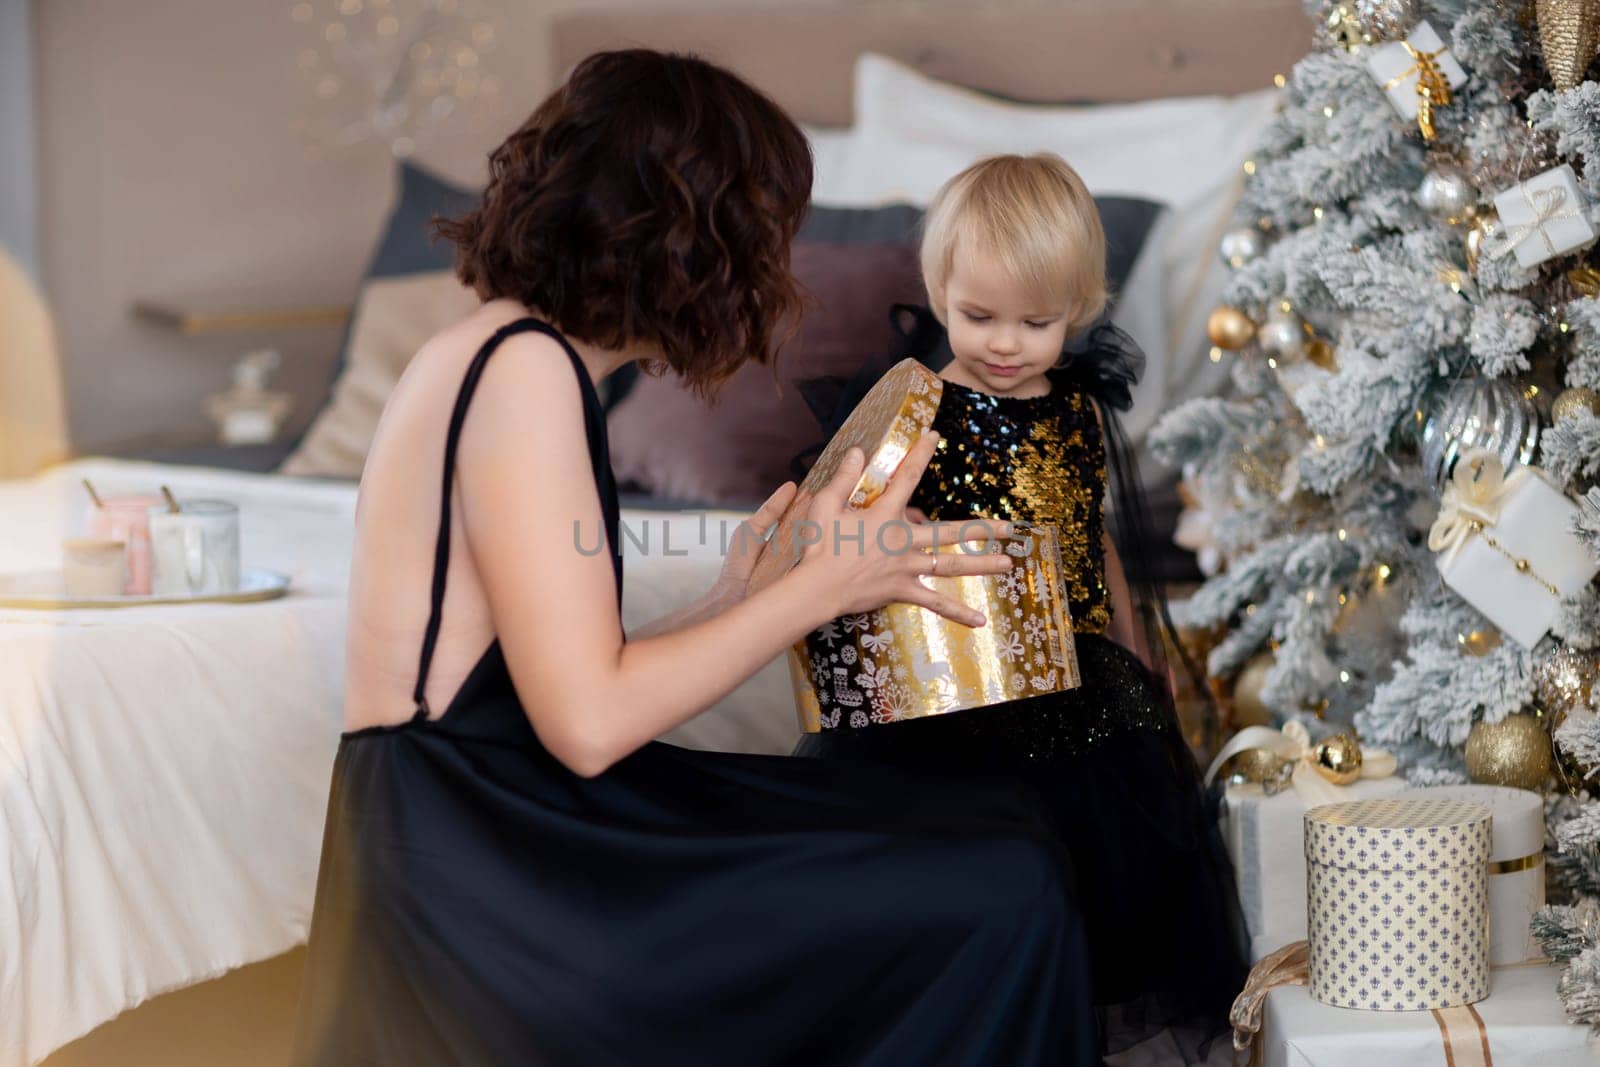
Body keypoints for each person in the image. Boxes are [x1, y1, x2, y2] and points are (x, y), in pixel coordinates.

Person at [289, 52, 1099, 1066]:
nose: (771, 267)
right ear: (688, 240)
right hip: (493, 876)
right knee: (1000, 880)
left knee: (990, 835)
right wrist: (817, 589)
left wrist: (731, 598)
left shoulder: (497, 351)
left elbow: (541, 683)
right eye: (762, 233)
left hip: (477, 832)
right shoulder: (524, 374)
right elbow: (587, 724)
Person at [793, 154, 1251, 1063]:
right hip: (958, 695)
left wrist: (1129, 643)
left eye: (1036, 323)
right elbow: (839, 520)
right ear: (938, 290)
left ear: (1079, 307)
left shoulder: (1077, 409)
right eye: (977, 316)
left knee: (1100, 892)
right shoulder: (924, 407)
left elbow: (1095, 538)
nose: (1005, 344)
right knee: (981, 886)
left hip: (1080, 689)